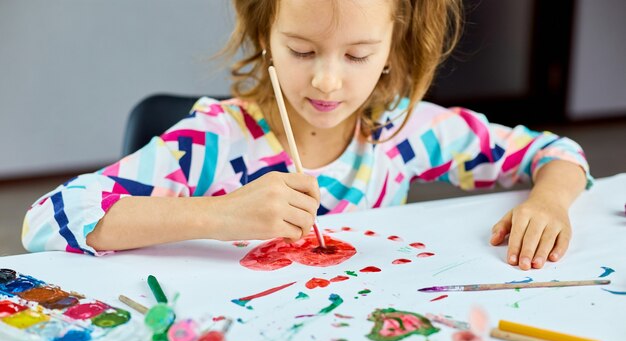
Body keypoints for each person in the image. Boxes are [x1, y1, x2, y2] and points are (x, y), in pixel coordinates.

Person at [22, 0, 592, 271]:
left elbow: (556, 152)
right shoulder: (216, 141)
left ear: (393, 50)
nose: (326, 79)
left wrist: (549, 201)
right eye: (301, 50)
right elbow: (47, 219)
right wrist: (221, 217)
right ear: (265, 33)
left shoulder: (404, 133)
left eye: (358, 54)